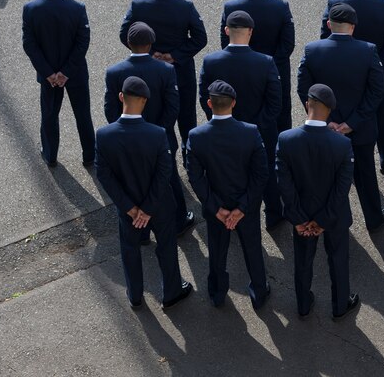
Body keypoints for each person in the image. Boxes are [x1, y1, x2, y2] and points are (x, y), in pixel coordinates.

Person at [95, 76, 192, 310]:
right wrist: (147, 209)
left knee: (130, 248)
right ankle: (171, 293)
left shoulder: (104, 135)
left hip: (127, 209)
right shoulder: (157, 133)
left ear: (121, 98)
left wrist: (131, 208)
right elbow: (164, 174)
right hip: (159, 206)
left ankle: (135, 295)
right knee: (166, 246)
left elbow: (104, 176)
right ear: (145, 101)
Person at [297, 3, 384, 232]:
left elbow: (304, 90)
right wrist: (352, 123)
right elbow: (377, 90)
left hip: (325, 130)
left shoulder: (312, 50)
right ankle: (374, 218)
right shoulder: (368, 50)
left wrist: (325, 122)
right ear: (353, 27)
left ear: (329, 25)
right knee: (366, 174)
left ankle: (336, 222)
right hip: (360, 130)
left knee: (329, 179)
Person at [275, 84, 360, 320]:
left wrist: (299, 218)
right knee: (338, 259)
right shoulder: (342, 144)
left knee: (303, 261)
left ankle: (303, 304)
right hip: (334, 216)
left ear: (306, 105)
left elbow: (285, 184)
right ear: (330, 111)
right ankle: (340, 304)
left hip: (301, 214)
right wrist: (323, 219)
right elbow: (342, 189)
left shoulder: (286, 140)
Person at [104, 22, 195, 237]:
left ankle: (141, 231)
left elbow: (110, 109)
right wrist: (159, 132)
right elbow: (173, 106)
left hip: (126, 140)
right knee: (169, 177)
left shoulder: (114, 72)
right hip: (160, 137)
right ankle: (179, 219)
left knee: (132, 181)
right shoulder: (165, 70)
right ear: (151, 44)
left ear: (128, 43)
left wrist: (123, 132)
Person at [186, 80, 271, 310]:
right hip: (247, 207)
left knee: (217, 251)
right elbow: (261, 174)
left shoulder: (196, 136)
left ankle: (217, 293)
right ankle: (259, 292)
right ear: (234, 103)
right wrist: (242, 208)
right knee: (252, 248)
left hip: (217, 208)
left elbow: (195, 177)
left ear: (209, 103)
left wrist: (216, 208)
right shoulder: (250, 132)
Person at [199, 10, 283, 231]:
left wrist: (220, 120)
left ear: (227, 31)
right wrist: (255, 127)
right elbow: (275, 103)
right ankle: (273, 215)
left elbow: (204, 98)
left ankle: (230, 217)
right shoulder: (265, 62)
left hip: (222, 129)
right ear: (251, 32)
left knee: (227, 175)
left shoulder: (210, 62)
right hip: (261, 131)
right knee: (265, 174)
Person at [119, 0, 207, 164]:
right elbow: (200, 38)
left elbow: (125, 34)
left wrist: (149, 54)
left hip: (150, 73)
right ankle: (189, 158)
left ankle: (158, 158)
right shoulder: (185, 7)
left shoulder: (138, 5)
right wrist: (174, 55)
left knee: (156, 115)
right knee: (186, 118)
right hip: (181, 71)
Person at [320, 0, 384, 173]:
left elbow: (325, 40)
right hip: (381, 75)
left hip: (344, 76)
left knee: (349, 119)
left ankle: (351, 164)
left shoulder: (335, 2)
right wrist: (378, 65)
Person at [22, 0, 95, 168]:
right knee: (82, 114)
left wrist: (49, 73)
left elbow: (29, 45)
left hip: (48, 76)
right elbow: (83, 43)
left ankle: (50, 155)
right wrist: (66, 72)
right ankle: (89, 155)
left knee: (49, 114)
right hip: (76, 74)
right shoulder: (77, 8)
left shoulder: (31, 9)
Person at [221, 0, 295, 132]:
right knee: (277, 121)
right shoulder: (280, 7)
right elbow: (287, 45)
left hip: (239, 73)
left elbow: (226, 42)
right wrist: (269, 66)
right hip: (275, 72)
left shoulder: (231, 7)